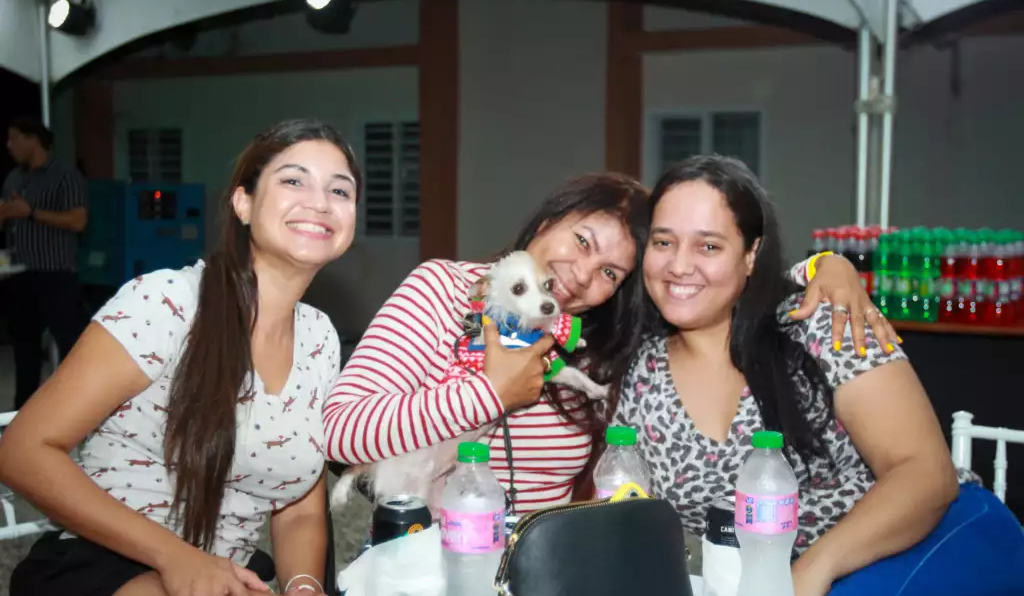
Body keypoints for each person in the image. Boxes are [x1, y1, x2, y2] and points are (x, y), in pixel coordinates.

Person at [614, 154, 1024, 596]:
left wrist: (810, 573)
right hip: (777, 593)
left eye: (709, 245)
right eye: (663, 242)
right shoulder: (640, 373)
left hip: (934, 539)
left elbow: (926, 474)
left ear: (751, 255)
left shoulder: (820, 323)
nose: (679, 264)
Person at [0, 119, 362, 596]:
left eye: (340, 190)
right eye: (294, 181)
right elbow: (22, 450)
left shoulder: (320, 339)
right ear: (243, 203)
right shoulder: (167, 303)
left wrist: (305, 590)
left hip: (225, 579)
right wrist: (178, 558)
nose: (320, 202)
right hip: (105, 572)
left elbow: (297, 502)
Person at [323, 172, 897, 514]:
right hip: (421, 555)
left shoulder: (602, 344)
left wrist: (826, 266)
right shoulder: (443, 290)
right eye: (581, 241)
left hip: (542, 573)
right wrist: (489, 393)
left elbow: (708, 284)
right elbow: (341, 432)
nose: (580, 275)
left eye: (610, 273)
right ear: (547, 221)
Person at [1, 116, 89, 409]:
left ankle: (77, 410)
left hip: (56, 276)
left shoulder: (65, 175)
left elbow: (78, 221)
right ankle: (22, 414)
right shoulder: (13, 178)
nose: (9, 145)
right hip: (19, 275)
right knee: (25, 351)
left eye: (14, 138)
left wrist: (30, 213)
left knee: (70, 347)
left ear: (34, 140)